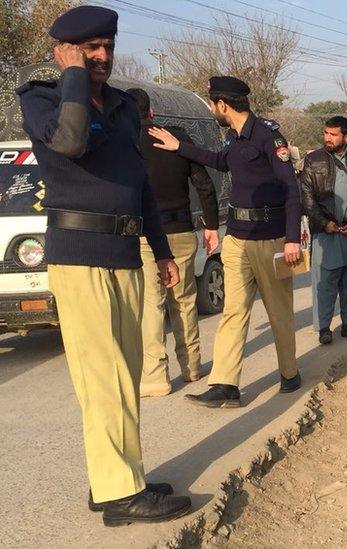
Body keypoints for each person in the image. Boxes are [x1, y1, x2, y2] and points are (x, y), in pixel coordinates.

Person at [17, 5, 191, 524]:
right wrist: (72, 77)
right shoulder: (43, 98)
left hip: (124, 254)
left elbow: (138, 186)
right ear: (64, 51)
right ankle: (118, 495)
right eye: (90, 48)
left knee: (128, 372)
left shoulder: (121, 107)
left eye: (108, 47)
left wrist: (161, 251)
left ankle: (119, 477)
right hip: (79, 253)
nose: (102, 56)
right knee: (103, 377)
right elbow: (69, 142)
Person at [149, 76, 303, 408]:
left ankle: (289, 373)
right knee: (233, 312)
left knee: (279, 312)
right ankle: (225, 386)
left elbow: (292, 188)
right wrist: (181, 148)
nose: (212, 110)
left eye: (212, 104)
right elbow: (221, 161)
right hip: (236, 240)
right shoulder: (232, 137)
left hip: (270, 240)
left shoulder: (267, 136)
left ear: (222, 105)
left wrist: (292, 239)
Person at [127, 87, 220, 398]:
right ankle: (192, 365)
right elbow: (204, 185)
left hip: (142, 236)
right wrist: (210, 225)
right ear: (151, 111)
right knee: (184, 300)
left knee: (150, 305)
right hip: (180, 230)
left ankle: (155, 378)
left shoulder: (125, 142)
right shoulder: (176, 137)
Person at [300, 116, 347, 345]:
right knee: (324, 282)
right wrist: (324, 223)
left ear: (346, 136)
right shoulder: (313, 160)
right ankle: (324, 328)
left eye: (333, 134)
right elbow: (307, 196)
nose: (328, 138)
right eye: (326, 133)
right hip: (326, 233)